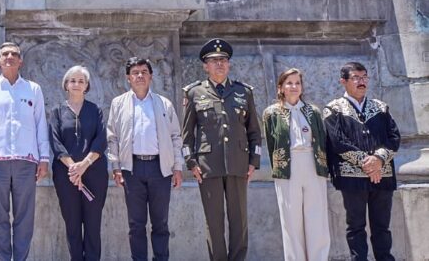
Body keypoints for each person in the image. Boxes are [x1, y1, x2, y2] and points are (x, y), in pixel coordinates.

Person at [0, 42, 52, 261]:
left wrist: (44, 158)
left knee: (25, 218)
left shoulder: (33, 89)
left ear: (20, 61)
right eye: (5, 54)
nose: (9, 57)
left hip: (27, 161)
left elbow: (40, 124)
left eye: (14, 54)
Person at [181, 38, 261, 261]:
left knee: (239, 221)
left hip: (238, 164)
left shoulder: (244, 92)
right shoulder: (194, 93)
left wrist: (254, 162)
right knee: (214, 222)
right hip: (208, 166)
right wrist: (191, 163)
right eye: (214, 60)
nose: (219, 64)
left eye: (223, 60)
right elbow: (187, 135)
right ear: (205, 66)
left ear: (229, 64)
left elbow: (255, 132)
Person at [106, 57, 183, 261]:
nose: (140, 75)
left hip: (160, 168)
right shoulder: (118, 104)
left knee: (160, 223)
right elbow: (112, 137)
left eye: (144, 72)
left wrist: (177, 167)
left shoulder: (164, 103)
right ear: (128, 78)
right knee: (136, 224)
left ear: (151, 76)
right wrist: (116, 167)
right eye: (135, 72)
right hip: (132, 169)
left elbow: (176, 136)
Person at [324, 62, 400, 261]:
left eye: (364, 77)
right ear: (343, 81)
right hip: (352, 179)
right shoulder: (333, 109)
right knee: (356, 227)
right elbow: (338, 142)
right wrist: (368, 163)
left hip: (382, 176)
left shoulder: (381, 107)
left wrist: (378, 159)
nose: (361, 81)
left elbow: (394, 137)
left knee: (382, 227)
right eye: (356, 78)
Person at [262, 68, 330, 261]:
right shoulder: (271, 113)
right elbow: (271, 143)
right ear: (281, 87)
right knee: (291, 220)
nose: (294, 87)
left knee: (317, 217)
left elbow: (321, 140)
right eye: (289, 83)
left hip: (313, 164)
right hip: (287, 167)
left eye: (297, 83)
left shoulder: (313, 111)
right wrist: (279, 166)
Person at [49, 65, 108, 261]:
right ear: (66, 84)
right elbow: (55, 142)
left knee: (93, 225)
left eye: (81, 81)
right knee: (72, 225)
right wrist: (73, 168)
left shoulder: (96, 110)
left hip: (94, 174)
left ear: (86, 86)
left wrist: (84, 165)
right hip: (66, 176)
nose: (76, 84)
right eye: (72, 80)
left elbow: (101, 141)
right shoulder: (57, 112)